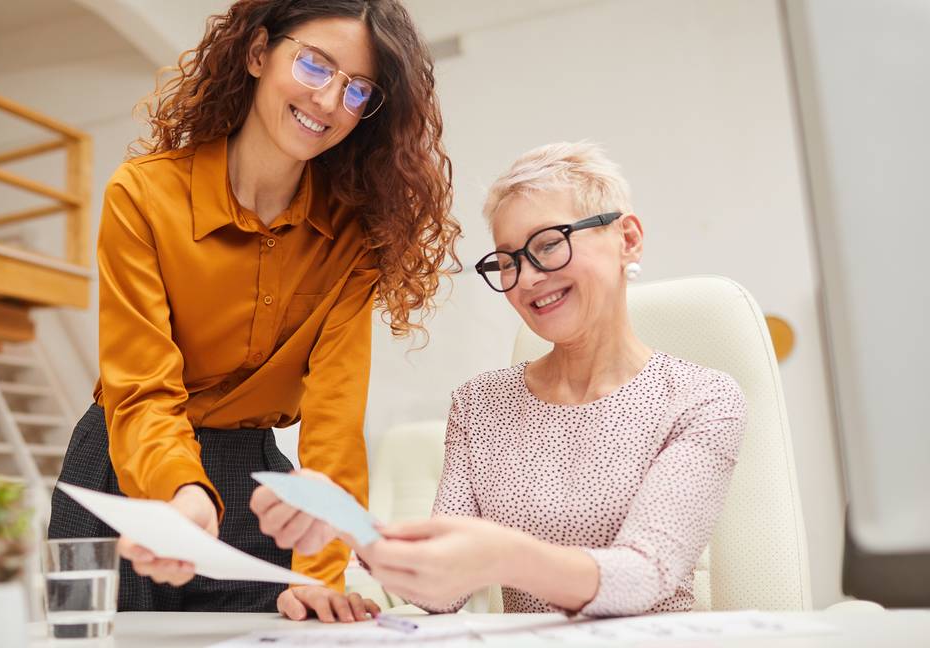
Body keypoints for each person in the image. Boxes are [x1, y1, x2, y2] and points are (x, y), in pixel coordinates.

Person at [48, 0, 459, 623]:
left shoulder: (354, 239)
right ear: (259, 52)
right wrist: (181, 490)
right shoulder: (142, 195)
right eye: (316, 66)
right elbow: (141, 388)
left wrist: (320, 571)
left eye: (358, 90)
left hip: (258, 489)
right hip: (123, 471)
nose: (329, 101)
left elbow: (335, 416)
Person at [251, 142, 746, 616]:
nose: (526, 279)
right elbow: (442, 592)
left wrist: (503, 557)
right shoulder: (480, 405)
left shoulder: (701, 399)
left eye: (548, 244)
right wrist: (347, 528)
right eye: (508, 261)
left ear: (628, 239)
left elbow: (645, 575)